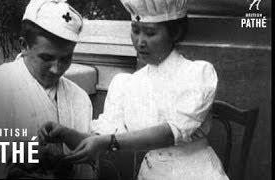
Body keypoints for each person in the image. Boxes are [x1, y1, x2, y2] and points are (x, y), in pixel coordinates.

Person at [38, 0, 229, 179]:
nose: (140, 41)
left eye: (150, 33)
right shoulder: (127, 84)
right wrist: (65, 133)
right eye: (135, 31)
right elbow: (100, 138)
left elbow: (170, 133)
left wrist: (107, 142)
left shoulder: (197, 73)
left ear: (175, 33)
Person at [0, 0, 94, 179]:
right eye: (47, 58)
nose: (57, 68)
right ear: (23, 46)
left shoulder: (80, 98)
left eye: (65, 58)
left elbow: (88, 168)